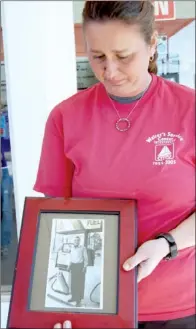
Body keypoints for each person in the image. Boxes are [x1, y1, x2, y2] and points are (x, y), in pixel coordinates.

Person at [34, 1, 195, 328]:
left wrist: (168, 244)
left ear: (152, 45)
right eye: (97, 56)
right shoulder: (65, 118)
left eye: (123, 56)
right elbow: (55, 218)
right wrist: (48, 307)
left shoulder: (189, 110)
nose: (110, 71)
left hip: (179, 304)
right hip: (95, 305)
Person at [67, 236, 88, 307]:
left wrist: (85, 267)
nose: (76, 241)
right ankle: (73, 297)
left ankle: (78, 301)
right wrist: (69, 265)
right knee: (73, 283)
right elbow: (71, 257)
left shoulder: (83, 248)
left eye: (78, 240)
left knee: (79, 284)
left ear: (79, 241)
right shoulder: (72, 248)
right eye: (75, 240)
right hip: (73, 266)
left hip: (80, 266)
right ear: (73, 241)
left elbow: (86, 258)